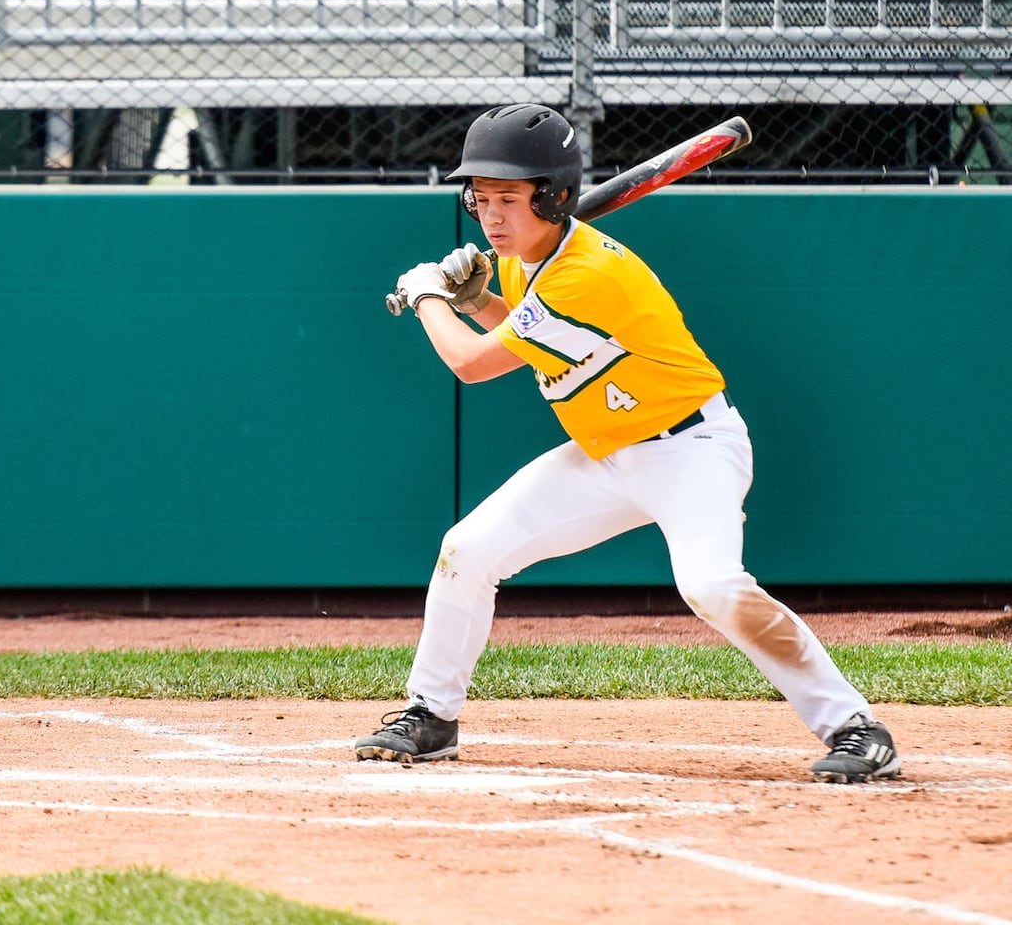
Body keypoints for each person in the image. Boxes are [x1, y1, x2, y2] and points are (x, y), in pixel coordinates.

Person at [357, 103, 901, 784]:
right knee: (466, 551)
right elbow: (532, 342)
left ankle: (855, 727)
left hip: (690, 449)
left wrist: (427, 294)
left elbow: (471, 365)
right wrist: (476, 302)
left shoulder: (585, 273)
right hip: (606, 452)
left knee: (709, 585)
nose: (491, 216)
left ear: (553, 198)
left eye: (508, 199)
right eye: (483, 199)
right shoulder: (532, 258)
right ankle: (432, 715)